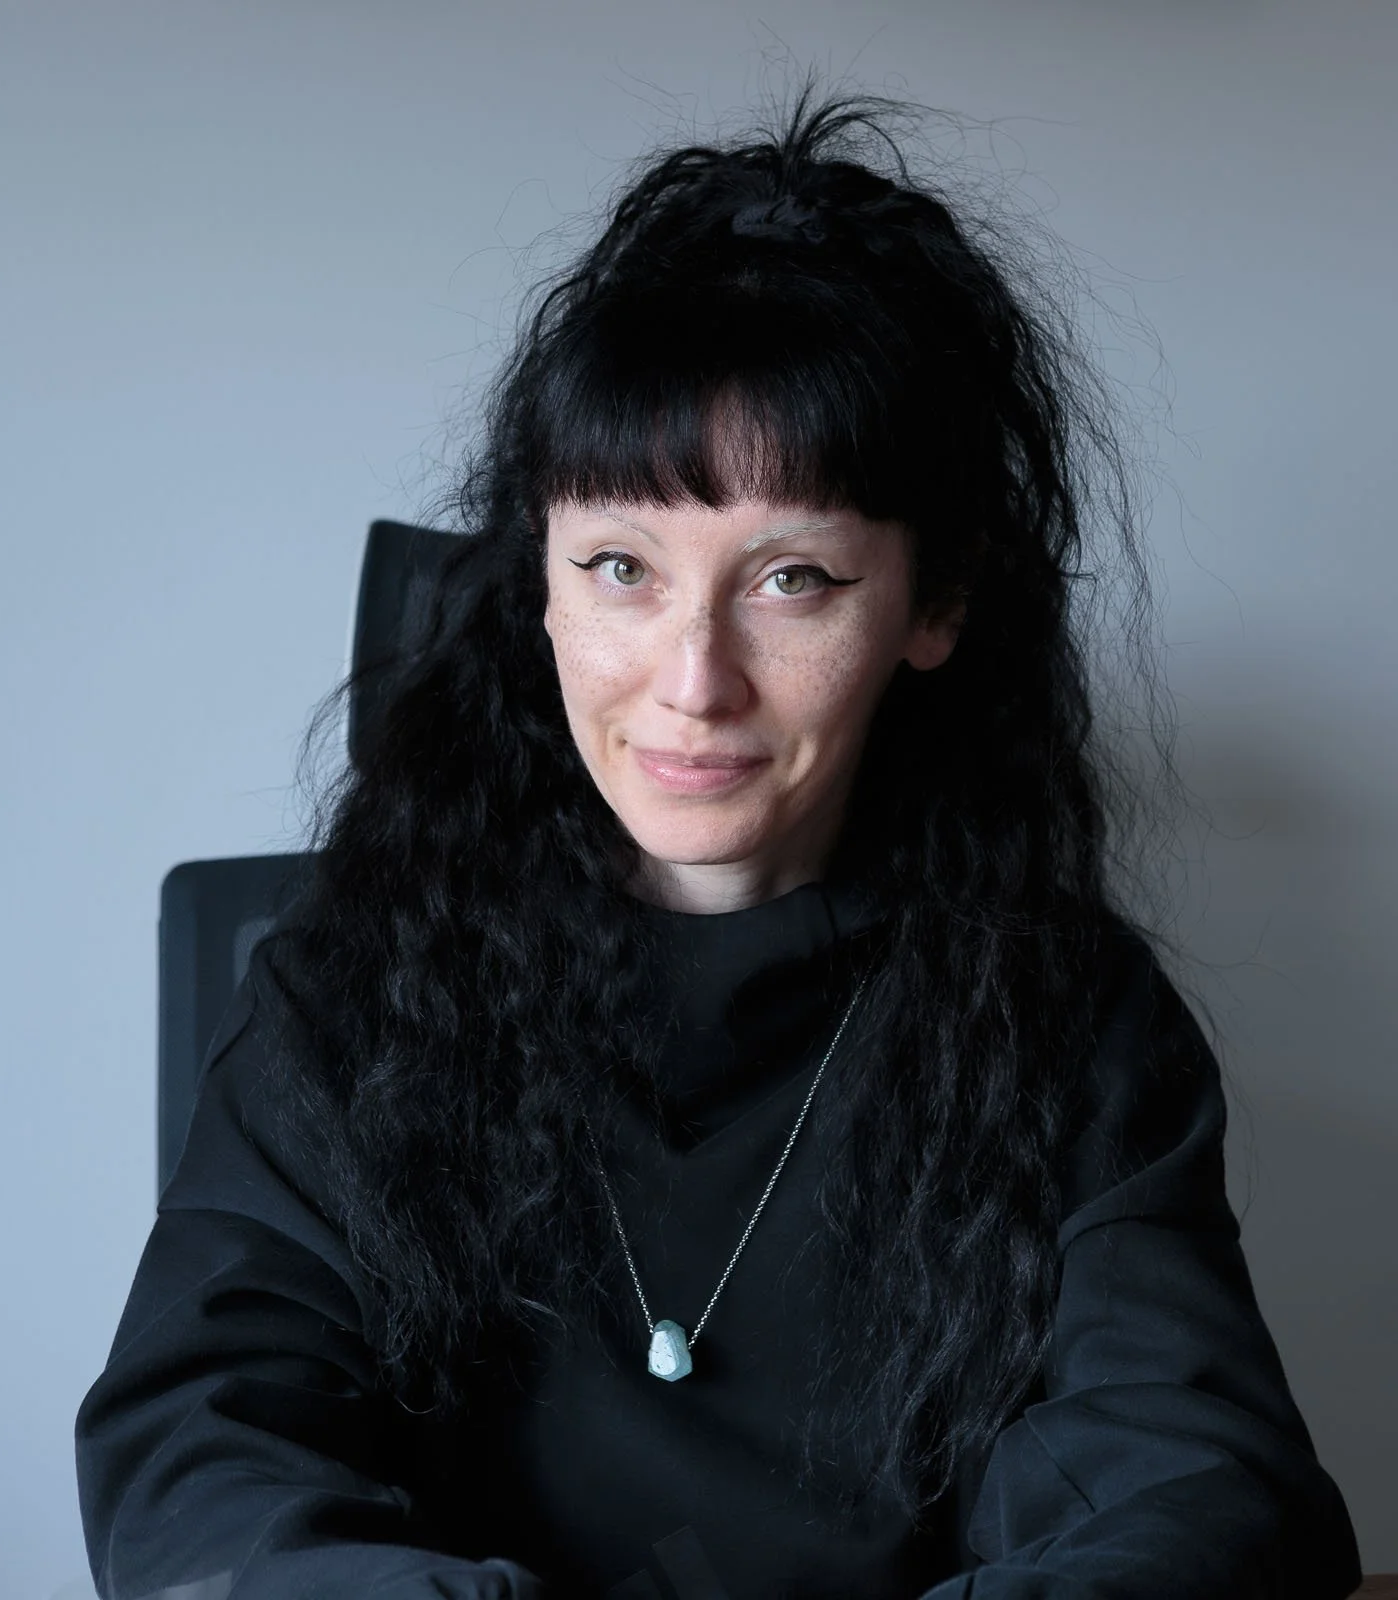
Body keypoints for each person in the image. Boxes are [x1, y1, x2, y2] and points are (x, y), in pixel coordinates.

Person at [75, 84, 1362, 1599]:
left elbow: (1195, 1486)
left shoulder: (1072, 1024)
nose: (691, 679)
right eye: (621, 565)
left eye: (792, 579)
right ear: (537, 584)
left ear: (932, 608)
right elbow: (202, 1457)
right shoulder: (343, 991)